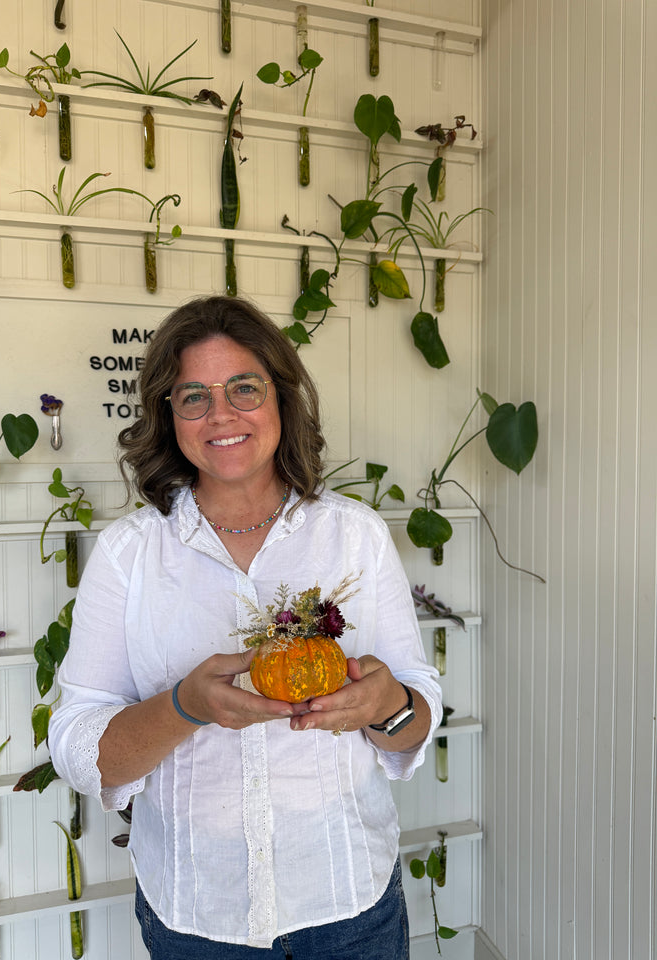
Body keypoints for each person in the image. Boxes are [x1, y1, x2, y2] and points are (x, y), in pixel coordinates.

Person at [48, 295, 442, 960]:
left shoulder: (355, 538)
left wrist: (388, 704)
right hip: (197, 913)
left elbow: (415, 714)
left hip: (349, 901)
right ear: (167, 415)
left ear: (282, 401)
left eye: (244, 388)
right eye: (192, 395)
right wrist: (184, 707)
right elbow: (79, 747)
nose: (221, 414)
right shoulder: (130, 554)